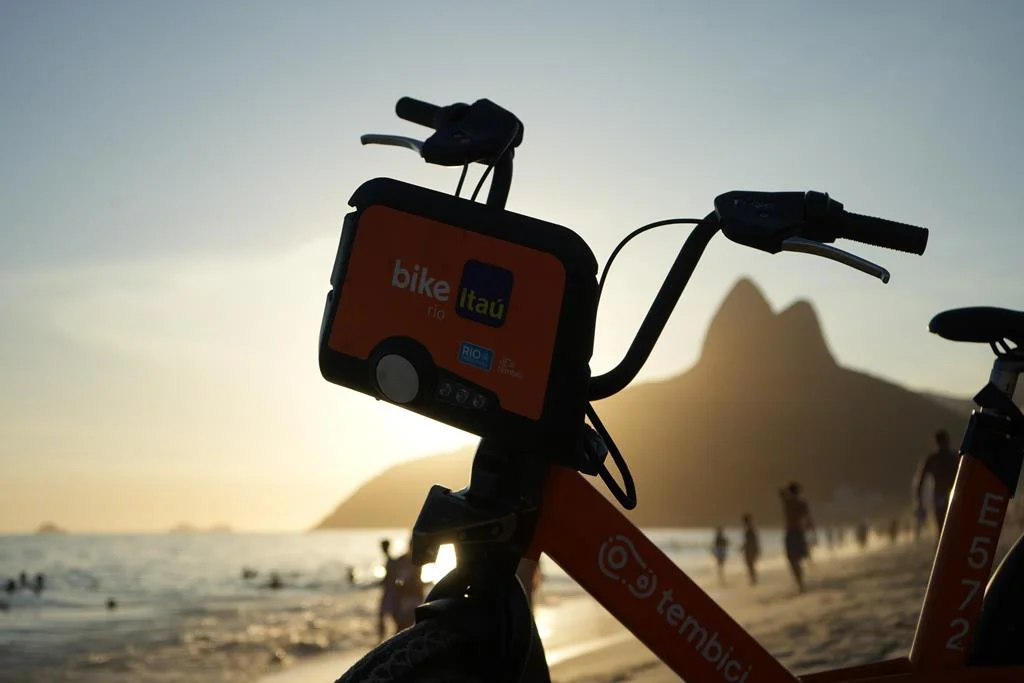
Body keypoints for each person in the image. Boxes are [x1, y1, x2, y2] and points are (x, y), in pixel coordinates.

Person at [913, 429, 959, 537]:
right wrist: (919, 502)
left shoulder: (935, 459)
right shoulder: (953, 458)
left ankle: (944, 545)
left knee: (945, 526)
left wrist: (919, 501)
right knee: (945, 526)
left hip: (945, 494)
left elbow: (920, 482)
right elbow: (920, 481)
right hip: (950, 494)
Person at [780, 481, 815, 592]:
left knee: (792, 559)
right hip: (798, 533)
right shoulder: (801, 503)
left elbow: (781, 494)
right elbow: (808, 519)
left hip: (791, 533)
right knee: (796, 559)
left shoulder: (788, 503)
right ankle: (800, 582)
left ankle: (800, 582)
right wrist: (812, 530)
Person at [741, 514, 761, 585]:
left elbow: (750, 541)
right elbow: (753, 540)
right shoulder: (751, 528)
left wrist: (743, 547)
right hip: (751, 550)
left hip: (750, 550)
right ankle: (753, 579)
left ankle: (753, 579)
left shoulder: (750, 529)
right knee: (750, 565)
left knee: (750, 565)